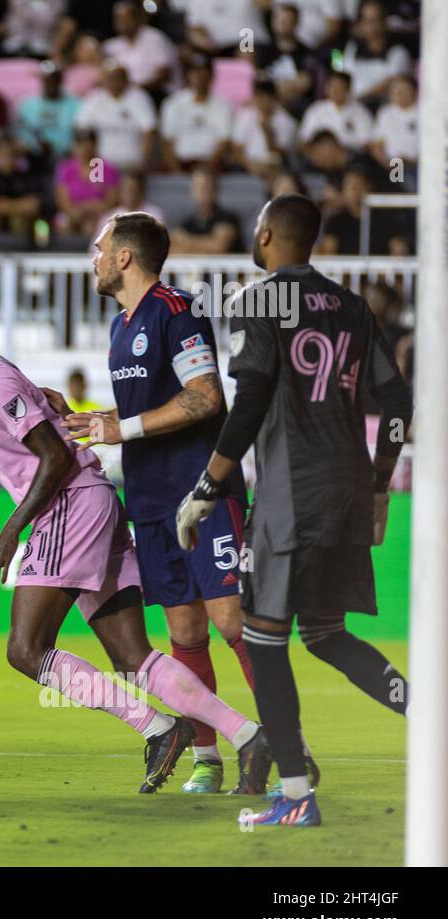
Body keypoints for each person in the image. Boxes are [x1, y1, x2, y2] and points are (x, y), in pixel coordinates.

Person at [0, 294, 271, 794]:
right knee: (132, 656)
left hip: (71, 506)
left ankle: (159, 729)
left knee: (25, 650)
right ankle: (247, 734)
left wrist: (10, 532)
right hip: (92, 503)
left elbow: (53, 458)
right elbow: (7, 457)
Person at [176, 192, 413, 827]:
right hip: (346, 491)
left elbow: (249, 399)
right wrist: (380, 487)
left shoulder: (254, 302)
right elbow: (398, 401)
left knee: (266, 639)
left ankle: (297, 794)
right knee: (328, 635)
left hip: (289, 497)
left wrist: (208, 486)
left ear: (269, 238)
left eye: (257, 230)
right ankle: (428, 715)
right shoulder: (356, 308)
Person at [59, 212, 260, 794]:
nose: (93, 258)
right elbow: (144, 414)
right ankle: (208, 757)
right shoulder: (121, 326)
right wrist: (99, 420)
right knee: (185, 633)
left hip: (201, 492)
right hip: (148, 501)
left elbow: (204, 399)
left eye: (98, 248)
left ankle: (285, 747)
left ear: (125, 256)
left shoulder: (179, 310)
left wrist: (120, 428)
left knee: (231, 622)